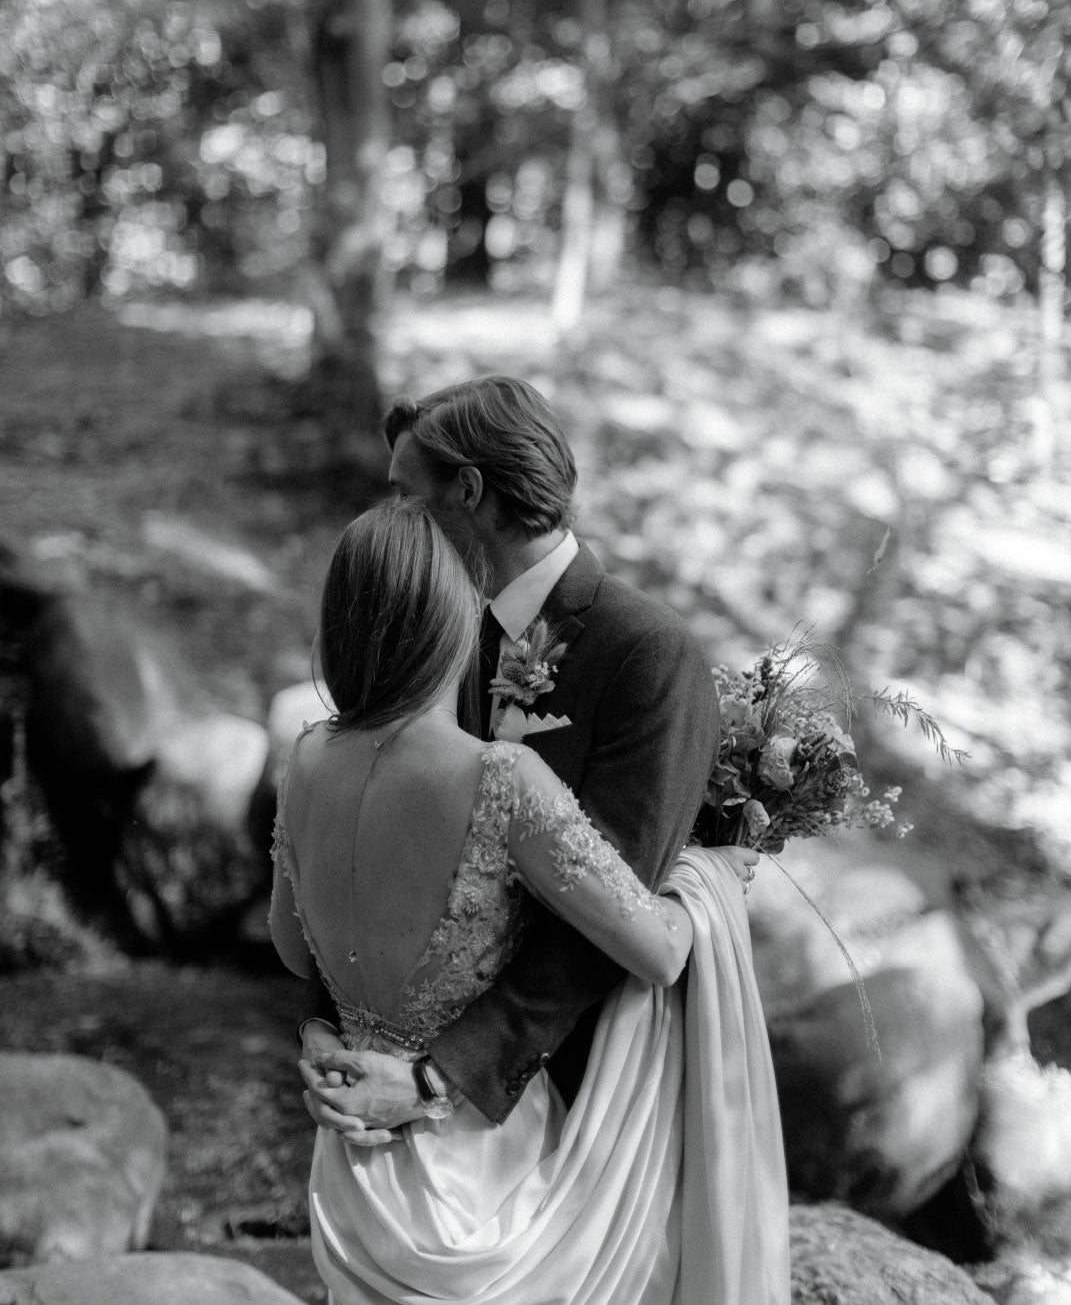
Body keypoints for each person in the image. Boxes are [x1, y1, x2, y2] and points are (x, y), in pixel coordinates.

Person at [271, 498, 789, 1304]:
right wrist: (718, 871)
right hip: (482, 1165)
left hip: (353, 1158)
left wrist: (333, 1026)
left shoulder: (303, 759)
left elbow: (292, 947)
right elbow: (658, 950)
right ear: (455, 621)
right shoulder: (502, 780)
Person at [296, 377, 735, 1137]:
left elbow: (607, 919)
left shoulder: (648, 656)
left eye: (407, 495)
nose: (394, 519)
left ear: (467, 490)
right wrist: (335, 1026)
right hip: (401, 1073)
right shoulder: (434, 629)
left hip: (576, 1095)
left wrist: (436, 1080)